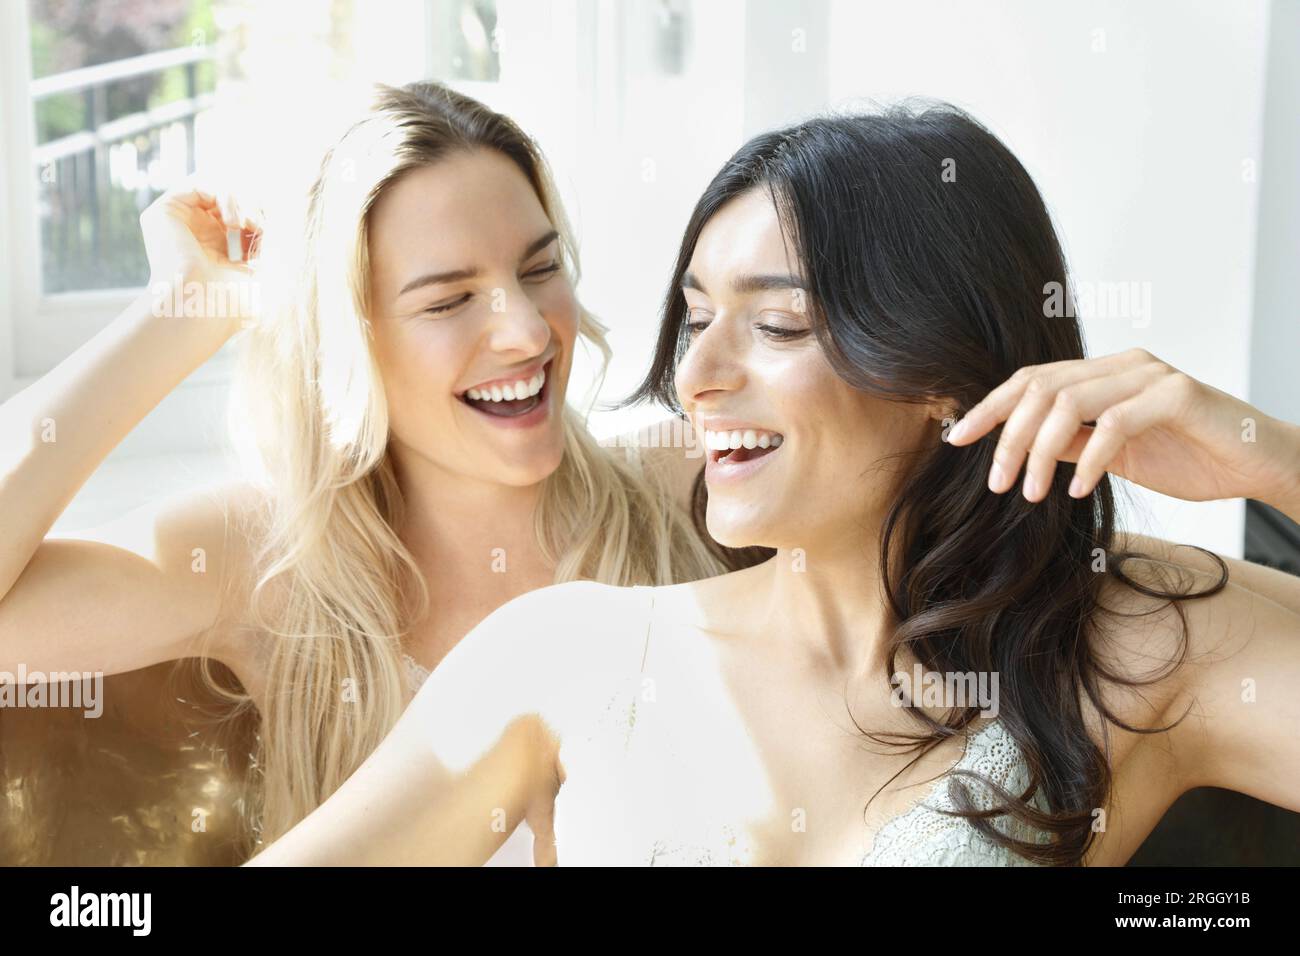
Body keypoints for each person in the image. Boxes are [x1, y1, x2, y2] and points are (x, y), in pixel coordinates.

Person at [245, 102, 1300, 866]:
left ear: (940, 374)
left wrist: (1274, 461)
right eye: (696, 317)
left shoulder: (1130, 636)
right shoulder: (568, 653)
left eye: (778, 324)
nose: (697, 377)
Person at [0, 81, 759, 866]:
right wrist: (180, 311)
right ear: (346, 340)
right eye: (448, 300)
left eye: (539, 269)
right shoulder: (267, 563)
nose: (528, 331)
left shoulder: (686, 482)